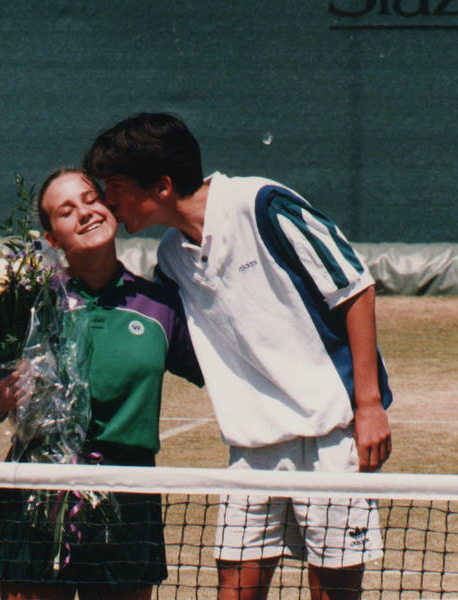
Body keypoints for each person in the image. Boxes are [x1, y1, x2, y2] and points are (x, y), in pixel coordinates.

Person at [82, 113, 393, 600]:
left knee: (332, 590)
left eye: (116, 187)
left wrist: (369, 405)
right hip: (251, 449)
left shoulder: (262, 204)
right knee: (234, 587)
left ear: (162, 185)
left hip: (330, 437)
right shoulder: (172, 258)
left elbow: (355, 288)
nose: (109, 201)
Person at [0, 168, 204, 600]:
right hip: (36, 489)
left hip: (128, 496)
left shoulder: (161, 306)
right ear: (51, 238)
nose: (85, 213)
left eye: (91, 199)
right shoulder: (27, 303)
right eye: (66, 211)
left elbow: (219, 372)